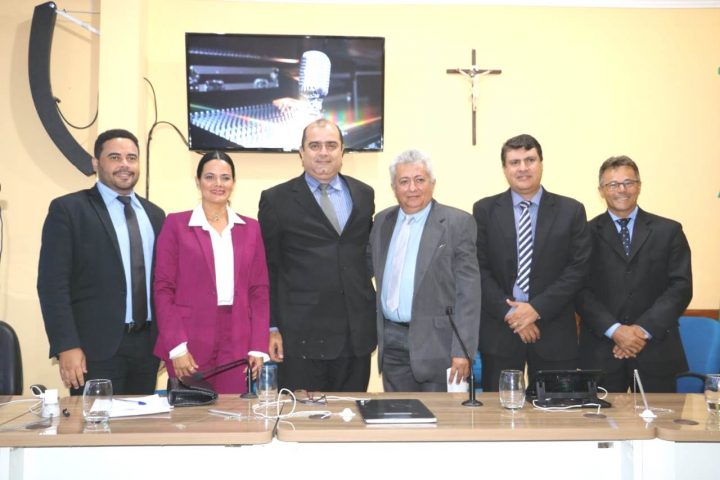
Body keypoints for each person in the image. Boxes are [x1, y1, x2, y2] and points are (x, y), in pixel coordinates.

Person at [37, 129, 165, 395]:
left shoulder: (155, 215)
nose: (124, 164)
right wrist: (66, 345)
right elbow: (52, 285)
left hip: (147, 349)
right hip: (93, 351)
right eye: (115, 157)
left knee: (142, 422)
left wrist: (165, 341)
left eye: (131, 158)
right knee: (95, 422)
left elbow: (162, 284)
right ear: (96, 163)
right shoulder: (69, 210)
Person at [258, 119, 376, 392]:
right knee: (303, 416)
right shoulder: (276, 200)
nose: (323, 152)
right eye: (315, 145)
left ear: (342, 151)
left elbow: (363, 254)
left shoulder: (364, 194)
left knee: (351, 414)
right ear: (301, 152)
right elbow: (268, 268)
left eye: (331, 145)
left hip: (355, 336)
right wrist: (271, 327)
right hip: (300, 338)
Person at [473, 134, 591, 392]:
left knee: (557, 411)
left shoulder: (571, 210)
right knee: (500, 411)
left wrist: (535, 309)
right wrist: (514, 315)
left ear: (541, 163)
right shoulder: (484, 210)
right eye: (514, 162)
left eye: (530, 160)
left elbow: (578, 269)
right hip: (501, 332)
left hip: (554, 331)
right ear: (504, 168)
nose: (523, 168)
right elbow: (479, 269)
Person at [153, 151, 269, 394]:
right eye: (209, 177)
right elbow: (163, 288)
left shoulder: (251, 228)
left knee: (234, 411)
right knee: (190, 413)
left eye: (225, 178)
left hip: (238, 337)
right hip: (189, 338)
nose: (218, 184)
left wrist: (258, 346)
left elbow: (259, 290)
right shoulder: (176, 224)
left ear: (233, 183)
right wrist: (176, 346)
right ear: (198, 181)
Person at [576, 156, 692, 392]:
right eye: (613, 184)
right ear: (601, 190)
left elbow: (680, 288)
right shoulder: (584, 234)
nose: (622, 190)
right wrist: (616, 330)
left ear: (639, 186)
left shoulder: (669, 231)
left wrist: (640, 331)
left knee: (659, 416)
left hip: (656, 350)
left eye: (628, 182)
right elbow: (578, 289)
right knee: (601, 417)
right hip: (602, 351)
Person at [370, 150, 481, 392]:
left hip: (439, 345)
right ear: (393, 187)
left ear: (432, 183)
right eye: (404, 181)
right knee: (397, 413)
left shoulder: (457, 223)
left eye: (419, 180)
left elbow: (469, 295)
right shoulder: (382, 222)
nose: (412, 188)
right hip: (391, 342)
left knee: (439, 415)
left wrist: (462, 350)